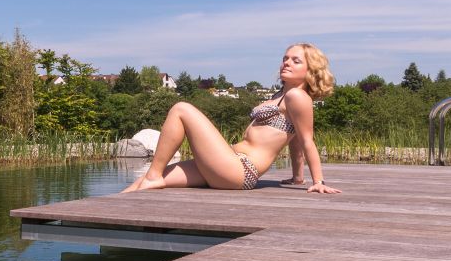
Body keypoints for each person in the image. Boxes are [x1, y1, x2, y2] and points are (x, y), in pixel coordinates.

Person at [122, 43, 342, 195]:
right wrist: (297, 177)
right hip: (226, 164)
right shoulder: (281, 96)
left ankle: (152, 175)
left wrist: (318, 182)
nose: (286, 63)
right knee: (150, 180)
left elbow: (306, 141)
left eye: (296, 61)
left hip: (239, 170)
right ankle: (116, 204)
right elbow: (293, 141)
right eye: (285, 58)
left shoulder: (297, 96)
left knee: (181, 109)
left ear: (310, 69)